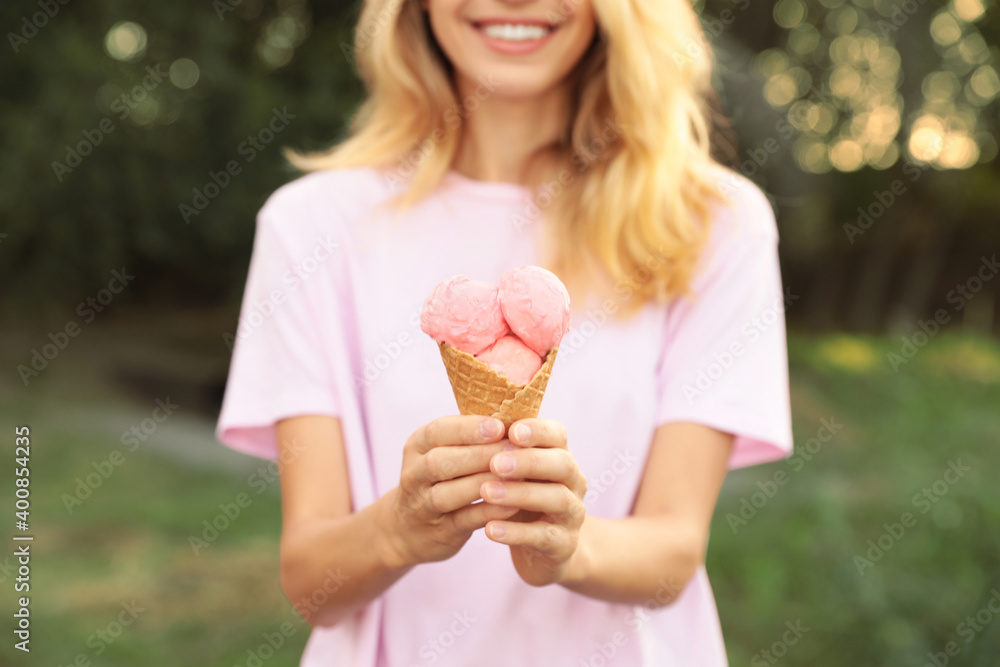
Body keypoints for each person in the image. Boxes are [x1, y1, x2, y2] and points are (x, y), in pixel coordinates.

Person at [216, 0, 792, 664]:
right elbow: (313, 584)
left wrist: (569, 545)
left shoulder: (711, 224)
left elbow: (674, 550)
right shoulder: (311, 228)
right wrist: (398, 529)